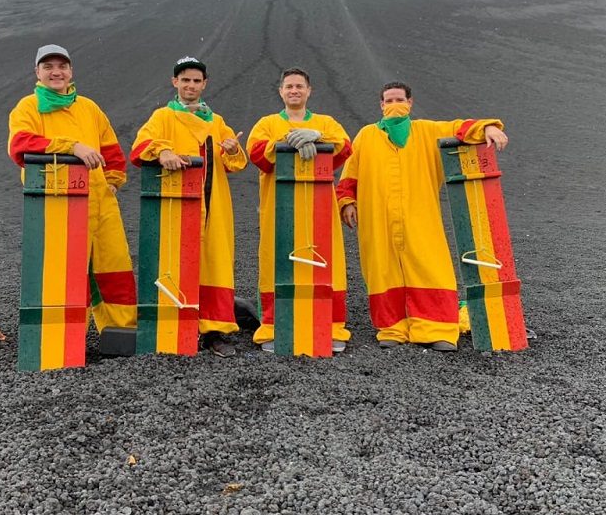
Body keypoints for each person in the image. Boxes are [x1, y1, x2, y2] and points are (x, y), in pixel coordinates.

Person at [337, 81, 508, 351]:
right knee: (382, 270)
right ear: (381, 105)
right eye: (389, 101)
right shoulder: (366, 136)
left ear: (410, 103)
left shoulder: (426, 131)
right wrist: (346, 202)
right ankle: (392, 329)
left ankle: (436, 328)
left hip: (420, 214)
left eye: (399, 100)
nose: (394, 105)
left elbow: (459, 128)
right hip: (376, 217)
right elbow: (350, 174)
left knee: (429, 266)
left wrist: (488, 127)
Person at [7, 44, 137, 333]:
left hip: (100, 202)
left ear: (71, 71)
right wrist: (71, 146)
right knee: (63, 270)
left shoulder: (88, 107)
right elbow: (20, 146)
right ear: (37, 73)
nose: (56, 72)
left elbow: (111, 151)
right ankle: (63, 334)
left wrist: (113, 182)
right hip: (56, 203)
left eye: (62, 66)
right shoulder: (28, 107)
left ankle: (121, 331)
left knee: (112, 267)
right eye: (49, 67)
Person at [130, 57, 247, 357]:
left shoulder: (215, 121)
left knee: (214, 263)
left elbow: (234, 163)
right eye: (185, 80)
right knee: (176, 261)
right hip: (176, 205)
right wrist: (163, 150)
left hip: (213, 203)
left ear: (204, 84)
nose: (190, 85)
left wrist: (233, 149)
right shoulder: (163, 117)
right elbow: (140, 147)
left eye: (196, 80)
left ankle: (214, 331)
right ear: (175, 83)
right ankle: (175, 327)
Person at [246, 67, 353, 353]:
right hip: (280, 207)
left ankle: (330, 328)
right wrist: (286, 143)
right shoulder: (267, 123)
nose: (294, 90)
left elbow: (344, 147)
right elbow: (256, 154)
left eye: (299, 86)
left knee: (324, 261)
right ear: (280, 91)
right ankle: (273, 327)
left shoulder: (325, 122)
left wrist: (318, 137)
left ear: (309, 91)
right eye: (289, 86)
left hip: (319, 208)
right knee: (277, 261)